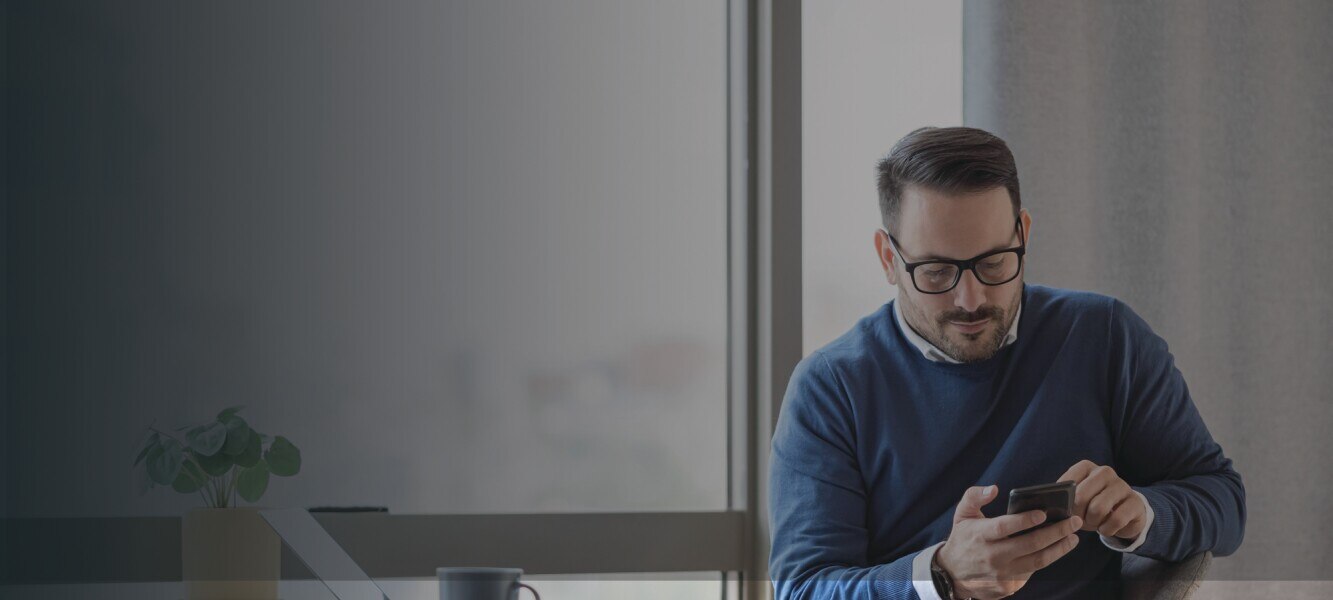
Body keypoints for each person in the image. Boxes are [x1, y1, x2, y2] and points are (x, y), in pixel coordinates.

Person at [767, 126, 1246, 599]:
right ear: (888, 258)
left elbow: (1223, 501)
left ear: (1024, 234)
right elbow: (803, 588)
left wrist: (1142, 513)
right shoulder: (830, 389)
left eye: (994, 263)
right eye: (936, 272)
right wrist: (940, 576)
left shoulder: (1104, 339)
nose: (970, 299)